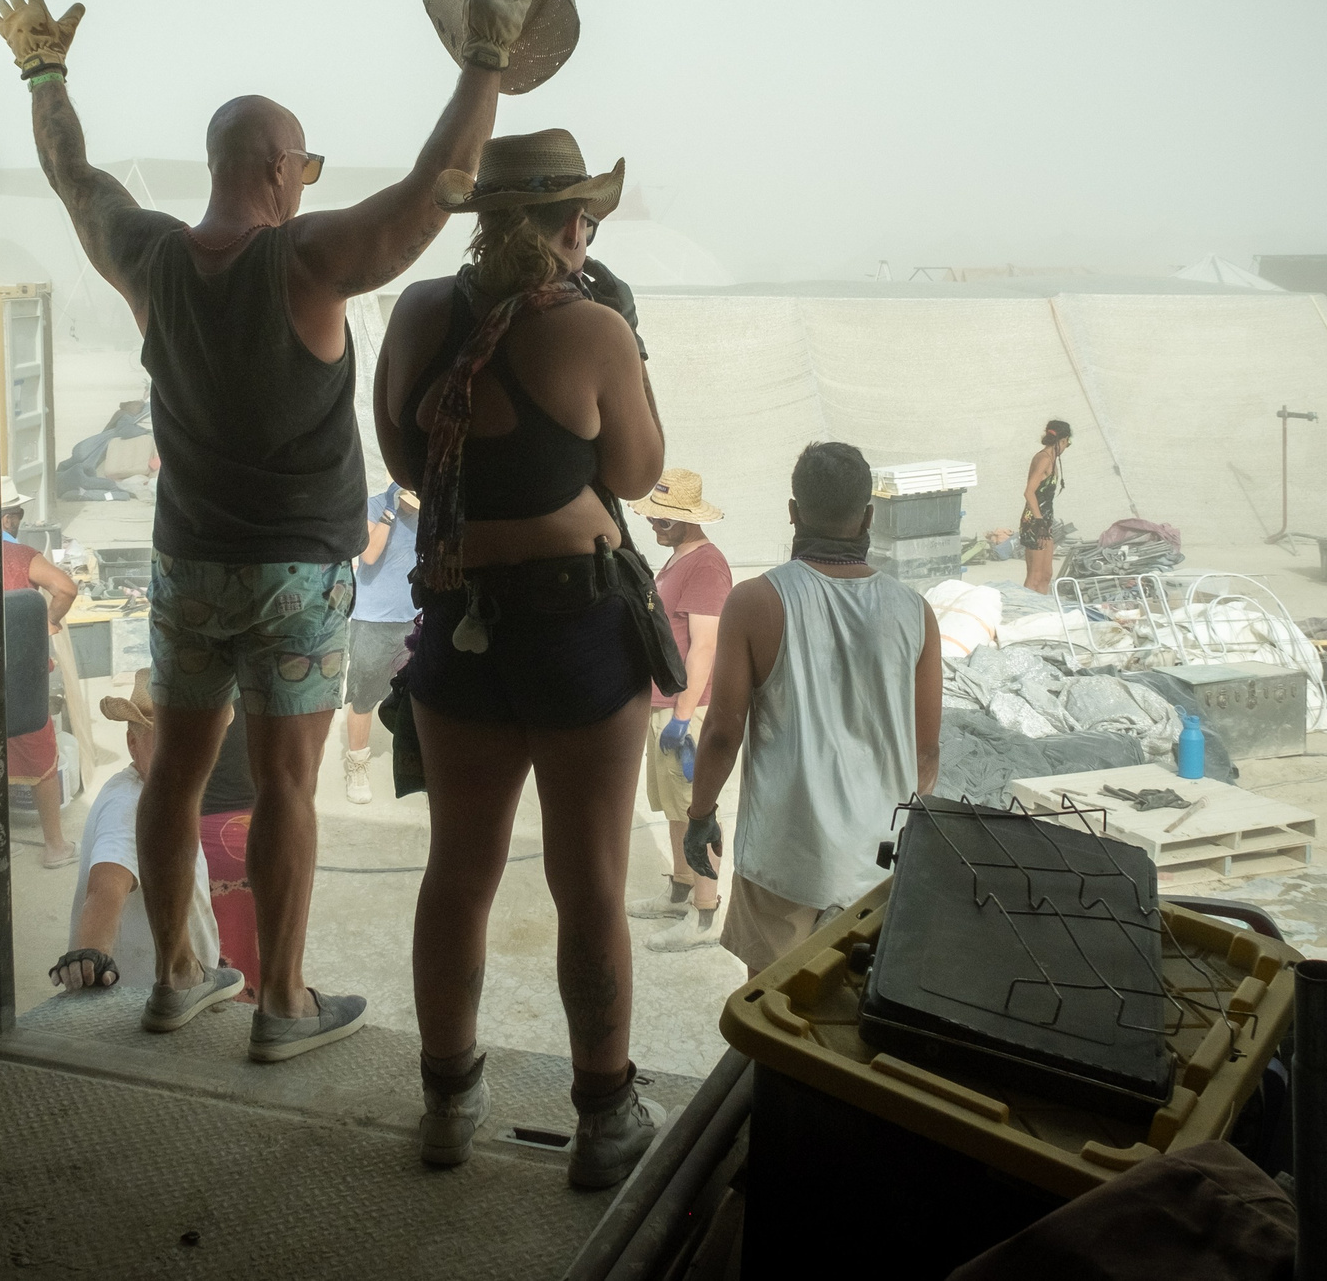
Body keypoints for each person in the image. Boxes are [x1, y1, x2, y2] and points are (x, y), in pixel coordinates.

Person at [0, 0, 538, 1061]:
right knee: (285, 779)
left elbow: (73, 179)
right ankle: (282, 1001)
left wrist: (45, 76)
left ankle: (177, 978)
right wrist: (484, 57)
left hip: (187, 566)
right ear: (283, 168)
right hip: (296, 577)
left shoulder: (149, 256)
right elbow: (437, 190)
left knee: (173, 770)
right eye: (308, 163)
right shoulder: (304, 259)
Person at [375, 129, 666, 1187]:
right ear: (566, 226)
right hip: (575, 621)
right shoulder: (589, 327)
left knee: (458, 868)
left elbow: (405, 455)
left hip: (457, 615)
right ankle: (603, 1116)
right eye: (587, 217)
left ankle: (448, 1103)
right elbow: (636, 470)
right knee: (589, 878)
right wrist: (618, 339)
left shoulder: (415, 312)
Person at [683, 441, 943, 975]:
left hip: (783, 862)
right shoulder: (915, 612)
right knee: (851, 1023)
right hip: (876, 868)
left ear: (793, 512)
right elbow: (927, 750)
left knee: (774, 1017)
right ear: (869, 516)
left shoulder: (757, 601)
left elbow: (722, 733)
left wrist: (700, 814)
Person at [49, 676, 223, 995]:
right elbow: (106, 887)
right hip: (146, 996)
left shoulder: (164, 796)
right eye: (167, 741)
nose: (183, 753)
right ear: (133, 742)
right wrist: (90, 954)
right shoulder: (132, 807)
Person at [627, 469, 730, 951]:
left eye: (665, 520)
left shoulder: (706, 565)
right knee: (674, 807)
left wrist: (685, 714)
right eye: (654, 517)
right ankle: (680, 891)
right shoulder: (675, 560)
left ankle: (706, 916)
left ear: (690, 519)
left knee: (697, 807)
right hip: (662, 704)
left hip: (684, 709)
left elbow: (705, 645)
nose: (656, 525)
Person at [0, 478, 81, 868]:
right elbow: (66, 587)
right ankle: (55, 847)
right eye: (15, 513)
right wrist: (47, 621)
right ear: (4, 517)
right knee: (39, 749)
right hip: (19, 676)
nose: (18, 519)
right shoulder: (21, 556)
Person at [342, 485, 421, 804]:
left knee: (416, 694)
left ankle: (415, 762)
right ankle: (356, 763)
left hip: (415, 618)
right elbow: (369, 554)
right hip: (372, 620)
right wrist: (392, 509)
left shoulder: (431, 514)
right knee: (364, 696)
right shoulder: (373, 506)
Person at [1020, 419, 1074, 594]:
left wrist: (1045, 523)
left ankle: (1041, 610)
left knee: (1046, 574)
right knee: (1035, 575)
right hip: (1036, 521)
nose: (1067, 447)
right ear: (1063, 440)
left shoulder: (1052, 458)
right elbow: (1029, 492)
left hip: (1045, 520)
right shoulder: (1043, 459)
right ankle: (1026, 611)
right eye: (1068, 443)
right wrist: (1039, 522)